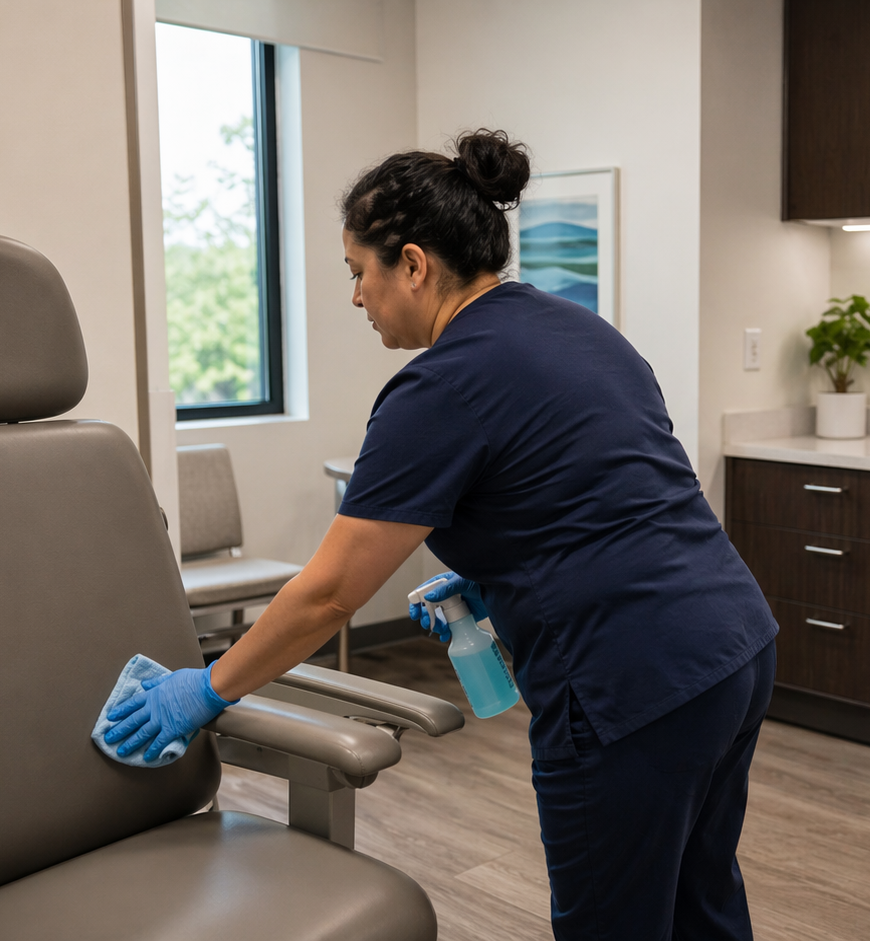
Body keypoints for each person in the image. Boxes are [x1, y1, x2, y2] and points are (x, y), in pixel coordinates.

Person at [103, 129, 778, 940]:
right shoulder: (580, 330)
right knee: (703, 900)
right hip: (735, 645)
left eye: (359, 272)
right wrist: (500, 571)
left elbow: (330, 592)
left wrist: (209, 687)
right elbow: (607, 493)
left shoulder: (439, 384)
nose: (357, 297)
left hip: (633, 676)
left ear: (414, 265)